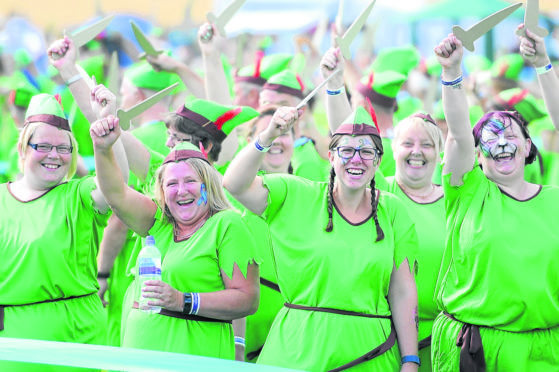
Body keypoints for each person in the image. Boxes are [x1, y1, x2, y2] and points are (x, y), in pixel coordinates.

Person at [223, 105, 419, 371]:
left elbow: (403, 290)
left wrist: (410, 360)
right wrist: (268, 135)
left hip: (370, 355)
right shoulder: (294, 194)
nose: (356, 159)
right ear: (330, 156)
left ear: (377, 160)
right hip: (298, 351)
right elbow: (234, 184)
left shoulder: (393, 210)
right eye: (346, 151)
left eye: (366, 152)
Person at [432, 33, 559, 371]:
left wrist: (543, 65)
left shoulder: (554, 200)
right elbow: (459, 133)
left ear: (528, 145)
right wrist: (452, 72)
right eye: (490, 137)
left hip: (544, 350)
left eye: (510, 135)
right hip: (477, 350)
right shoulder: (468, 191)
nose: (501, 142)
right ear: (477, 154)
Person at [90, 115, 260, 359]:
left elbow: (247, 299)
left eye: (190, 181)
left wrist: (183, 301)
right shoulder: (157, 222)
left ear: (208, 185)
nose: (181, 191)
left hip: (196, 355)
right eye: (171, 184)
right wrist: (102, 147)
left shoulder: (226, 224)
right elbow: (116, 194)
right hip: (140, 358)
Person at [0, 90, 128, 372]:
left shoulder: (79, 195)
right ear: (23, 148)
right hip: (11, 350)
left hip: (77, 340)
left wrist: (106, 130)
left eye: (64, 148)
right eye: (43, 146)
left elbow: (118, 188)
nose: (54, 156)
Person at [383, 113, 445, 372]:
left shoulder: (456, 201)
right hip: (387, 341)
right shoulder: (379, 193)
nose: (417, 151)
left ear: (440, 154)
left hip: (446, 342)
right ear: (393, 148)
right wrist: (336, 87)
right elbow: (346, 128)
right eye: (408, 143)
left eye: (427, 145)